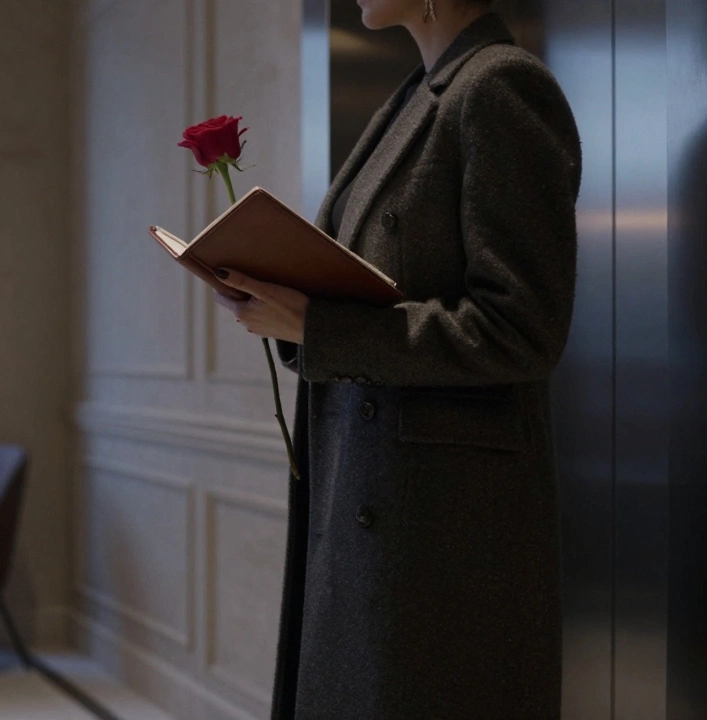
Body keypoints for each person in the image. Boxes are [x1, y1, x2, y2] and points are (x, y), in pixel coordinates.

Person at [211, 1, 582, 718]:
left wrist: (320, 328)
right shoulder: (415, 95)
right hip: (370, 504)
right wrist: (287, 307)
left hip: (443, 543)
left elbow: (522, 328)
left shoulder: (500, 86)